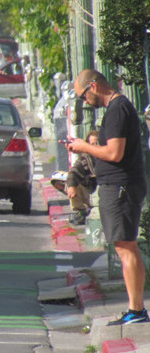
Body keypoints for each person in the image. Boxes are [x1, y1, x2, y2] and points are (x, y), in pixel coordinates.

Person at [67, 69, 147, 325]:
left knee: (126, 246)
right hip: (117, 186)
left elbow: (114, 153)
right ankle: (135, 308)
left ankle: (137, 310)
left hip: (121, 187)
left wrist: (83, 147)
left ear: (94, 85)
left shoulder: (117, 109)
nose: (84, 101)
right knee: (124, 246)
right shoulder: (117, 108)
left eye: (83, 96)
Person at [63, 130, 99, 226]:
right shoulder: (86, 158)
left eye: (97, 143)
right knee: (72, 183)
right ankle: (81, 212)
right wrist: (71, 187)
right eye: (92, 144)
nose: (95, 146)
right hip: (90, 192)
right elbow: (73, 173)